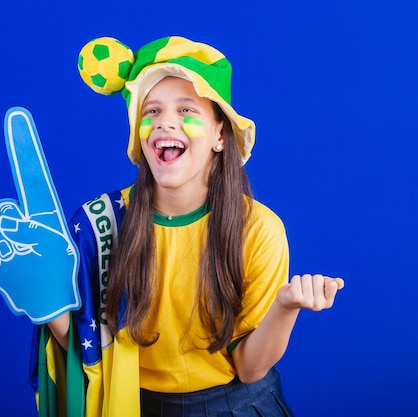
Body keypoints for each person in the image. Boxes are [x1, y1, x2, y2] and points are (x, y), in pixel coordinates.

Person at [31, 36, 344, 417]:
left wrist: (285, 306)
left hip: (237, 405)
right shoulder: (101, 223)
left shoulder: (260, 230)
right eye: (151, 111)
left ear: (220, 135)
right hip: (131, 405)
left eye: (186, 110)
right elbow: (89, 350)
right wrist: (45, 302)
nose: (165, 121)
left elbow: (250, 368)